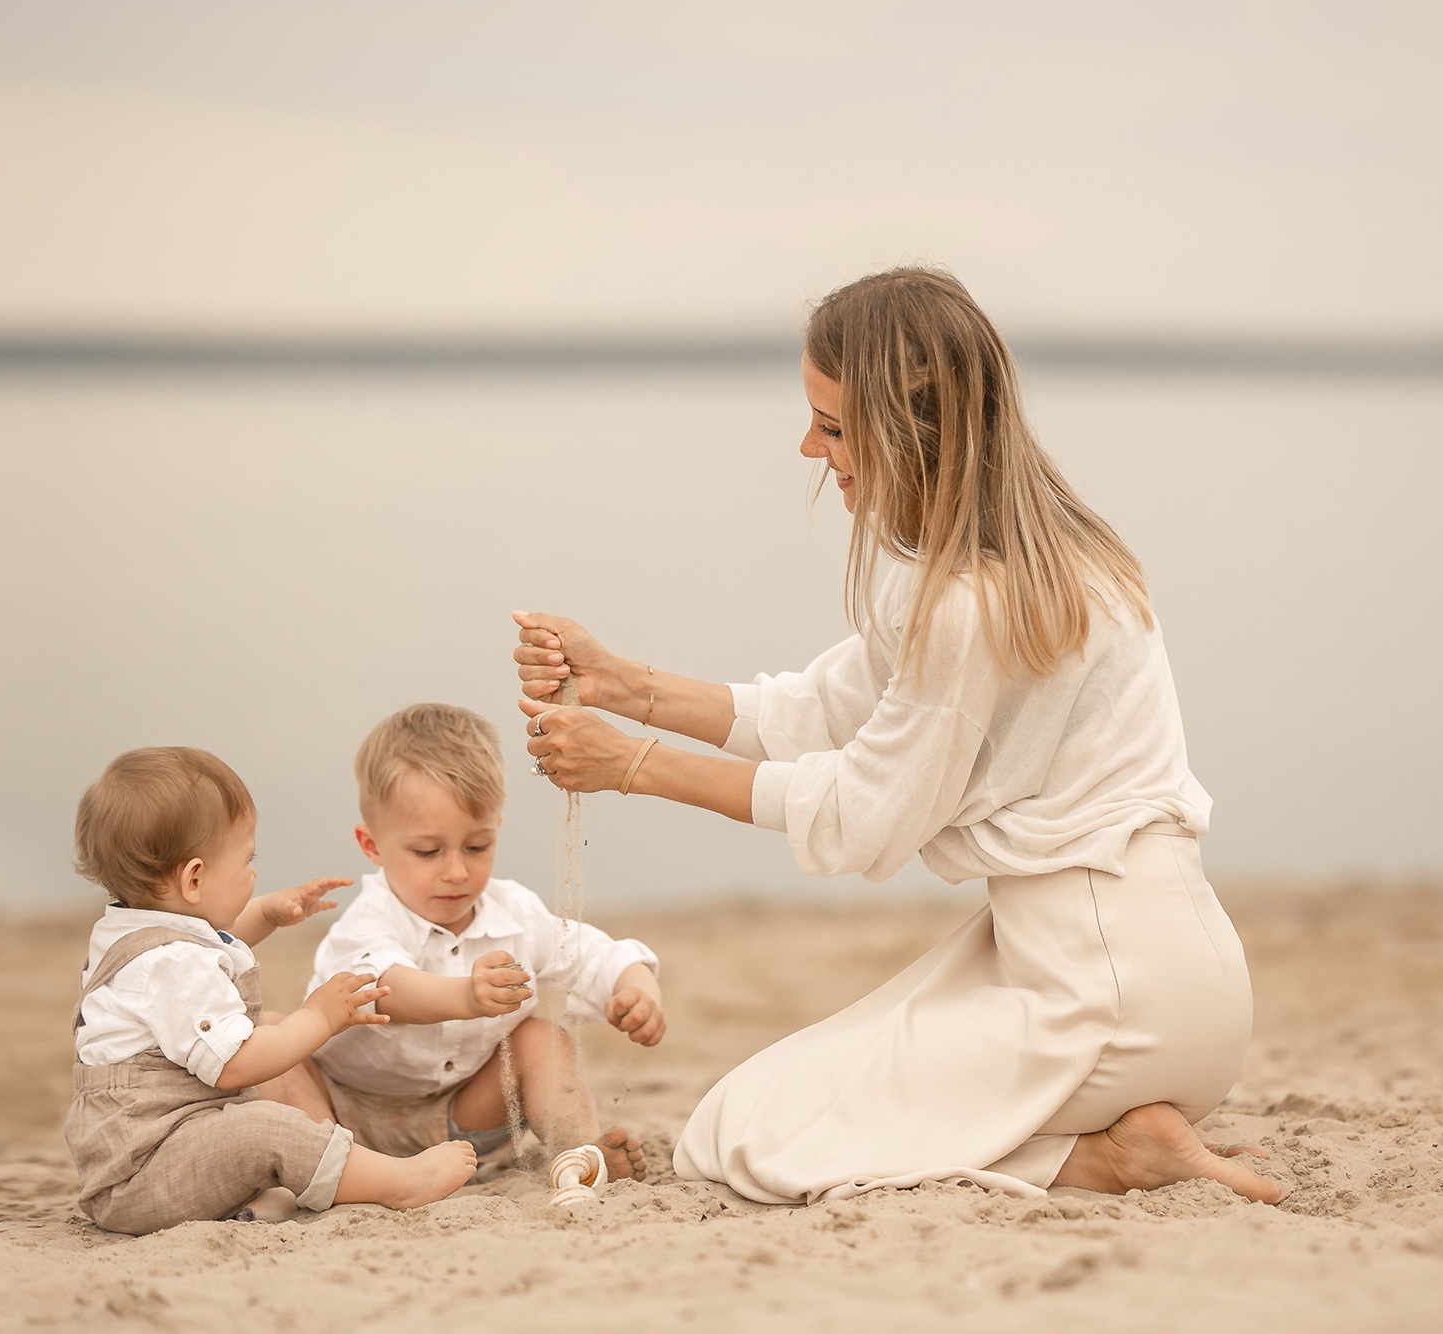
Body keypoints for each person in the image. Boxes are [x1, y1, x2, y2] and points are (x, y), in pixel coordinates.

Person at [511, 267, 1285, 1206]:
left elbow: (864, 817)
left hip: (1102, 990)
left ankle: (1107, 1158)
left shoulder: (965, 601)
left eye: (832, 427)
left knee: (734, 1136)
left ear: (911, 430)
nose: (808, 446)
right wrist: (623, 684)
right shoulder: (1062, 557)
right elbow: (823, 708)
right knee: (766, 1110)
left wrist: (635, 766)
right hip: (1153, 968)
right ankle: (1124, 1135)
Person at [65, 746, 477, 1235]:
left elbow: (208, 945)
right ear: (195, 878)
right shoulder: (172, 964)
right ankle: (400, 1182)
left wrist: (264, 913)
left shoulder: (138, 933)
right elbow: (236, 1063)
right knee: (264, 1123)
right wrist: (320, 1017)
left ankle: (276, 1191)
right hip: (146, 1172)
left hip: (154, 1155)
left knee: (275, 1031)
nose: (255, 872)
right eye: (246, 860)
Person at [300, 703, 661, 1180]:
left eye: (477, 846)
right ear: (372, 845)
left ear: (496, 828)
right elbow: (384, 987)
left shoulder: (513, 913)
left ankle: (581, 1155)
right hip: (342, 1116)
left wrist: (635, 988)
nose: (456, 871)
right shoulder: (369, 921)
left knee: (540, 1037)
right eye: (427, 852)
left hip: (464, 1120)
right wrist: (465, 996)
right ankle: (328, 1172)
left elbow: (591, 954)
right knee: (279, 1044)